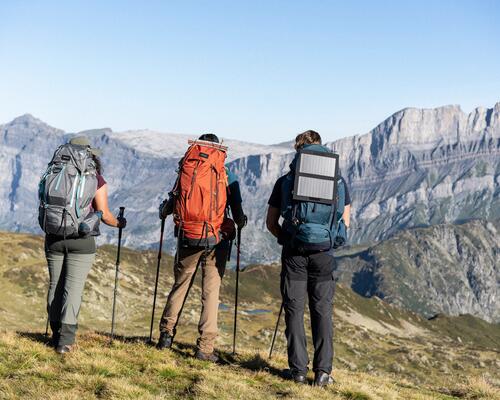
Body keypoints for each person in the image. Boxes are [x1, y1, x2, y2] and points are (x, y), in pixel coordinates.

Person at [266, 130, 351, 386]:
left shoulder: (286, 181)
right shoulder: (338, 182)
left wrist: (287, 238)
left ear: (298, 151)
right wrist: (329, 243)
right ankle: (323, 372)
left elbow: (271, 222)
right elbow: (344, 224)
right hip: (323, 255)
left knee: (294, 310)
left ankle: (298, 371)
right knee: (322, 311)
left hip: (294, 254)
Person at [157, 133, 246, 362]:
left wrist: (164, 211)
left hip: (188, 236)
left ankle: (166, 336)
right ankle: (205, 348)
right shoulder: (225, 173)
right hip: (216, 240)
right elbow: (237, 214)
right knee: (210, 293)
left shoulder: (188, 168)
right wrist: (240, 220)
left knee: (181, 284)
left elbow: (175, 200)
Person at [42, 136, 126, 354]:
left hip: (53, 237)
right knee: (73, 289)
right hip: (82, 240)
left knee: (55, 286)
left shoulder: (54, 172)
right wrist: (119, 223)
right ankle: (65, 342)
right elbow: (105, 215)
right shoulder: (96, 178)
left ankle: (55, 333)